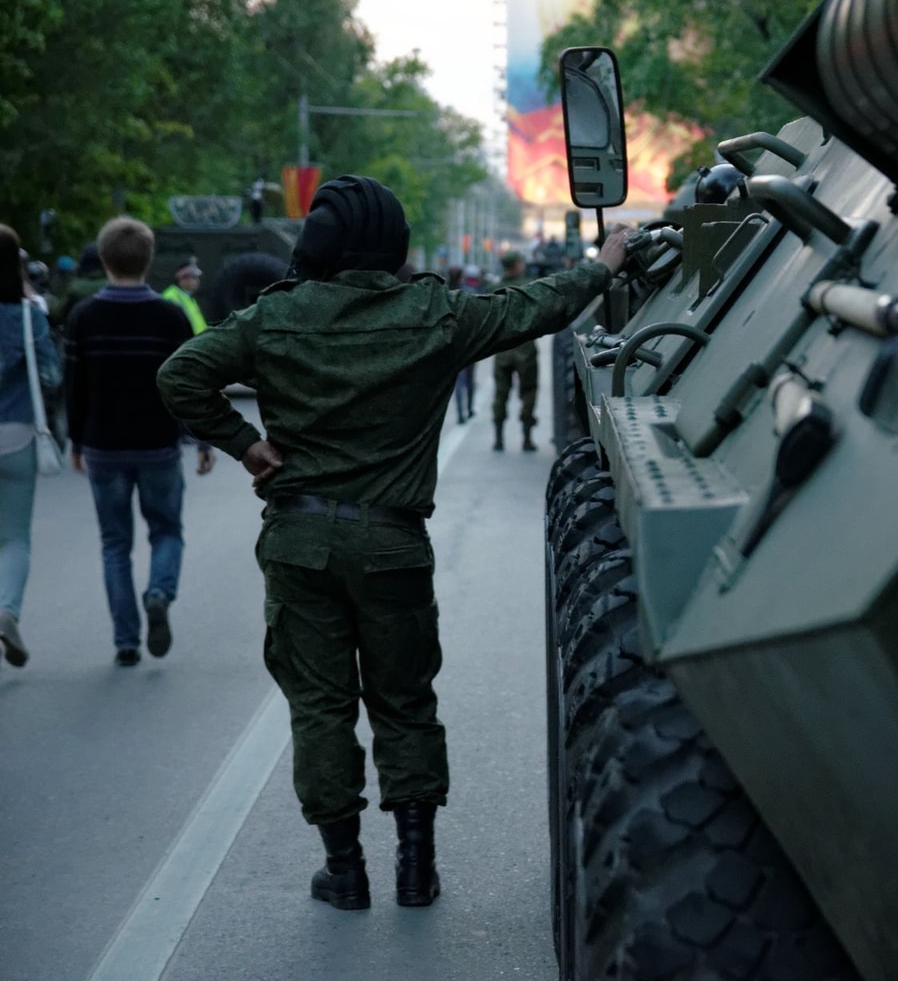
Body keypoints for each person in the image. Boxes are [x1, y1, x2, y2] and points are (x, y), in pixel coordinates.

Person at [156, 175, 632, 910]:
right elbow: (536, 307)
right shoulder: (434, 313)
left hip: (299, 540)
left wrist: (247, 445)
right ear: (394, 242)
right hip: (392, 543)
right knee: (405, 703)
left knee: (320, 708)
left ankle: (344, 870)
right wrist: (603, 263)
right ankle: (417, 867)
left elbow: (181, 375)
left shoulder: (273, 319)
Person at [64, 217, 215, 667]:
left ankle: (126, 642)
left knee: (115, 545)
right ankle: (159, 592)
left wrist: (75, 442)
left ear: (105, 260)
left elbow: (75, 387)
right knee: (166, 530)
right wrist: (204, 441)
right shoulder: (169, 316)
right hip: (159, 446)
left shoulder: (83, 317)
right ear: (149, 261)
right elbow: (192, 385)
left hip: (103, 448)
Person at [0, 224, 62, 669]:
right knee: (15, 538)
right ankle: (6, 611)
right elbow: (52, 376)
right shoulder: (28, 315)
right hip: (16, 434)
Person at [487, 250, 538, 451]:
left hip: (502, 350)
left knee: (501, 393)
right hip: (525, 347)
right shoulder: (529, 286)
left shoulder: (494, 288)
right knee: (528, 392)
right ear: (516, 265)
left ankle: (499, 439)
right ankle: (527, 438)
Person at [453, 264, 483, 424]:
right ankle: (469, 408)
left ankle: (460, 413)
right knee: (470, 380)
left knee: (459, 382)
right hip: (472, 343)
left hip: (457, 343)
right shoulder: (479, 292)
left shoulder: (454, 293)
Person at [161, 258, 207, 335]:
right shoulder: (171, 298)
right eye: (194, 277)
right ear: (182, 279)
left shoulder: (189, 298)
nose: (197, 281)